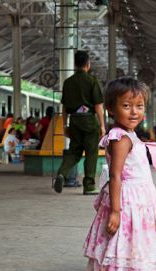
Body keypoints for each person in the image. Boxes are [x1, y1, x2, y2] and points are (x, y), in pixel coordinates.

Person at [84, 77, 156, 271]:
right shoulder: (121, 137)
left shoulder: (126, 135)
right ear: (111, 108)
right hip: (128, 206)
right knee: (130, 259)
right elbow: (115, 175)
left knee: (118, 260)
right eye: (126, 106)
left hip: (132, 202)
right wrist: (115, 210)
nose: (134, 112)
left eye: (139, 106)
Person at [54, 50, 106, 195]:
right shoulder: (92, 81)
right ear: (88, 64)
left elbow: (64, 107)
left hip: (74, 121)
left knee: (73, 152)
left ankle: (61, 174)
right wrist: (102, 125)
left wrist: (65, 126)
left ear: (75, 64)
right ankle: (89, 186)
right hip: (89, 120)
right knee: (91, 153)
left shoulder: (68, 82)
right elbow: (98, 105)